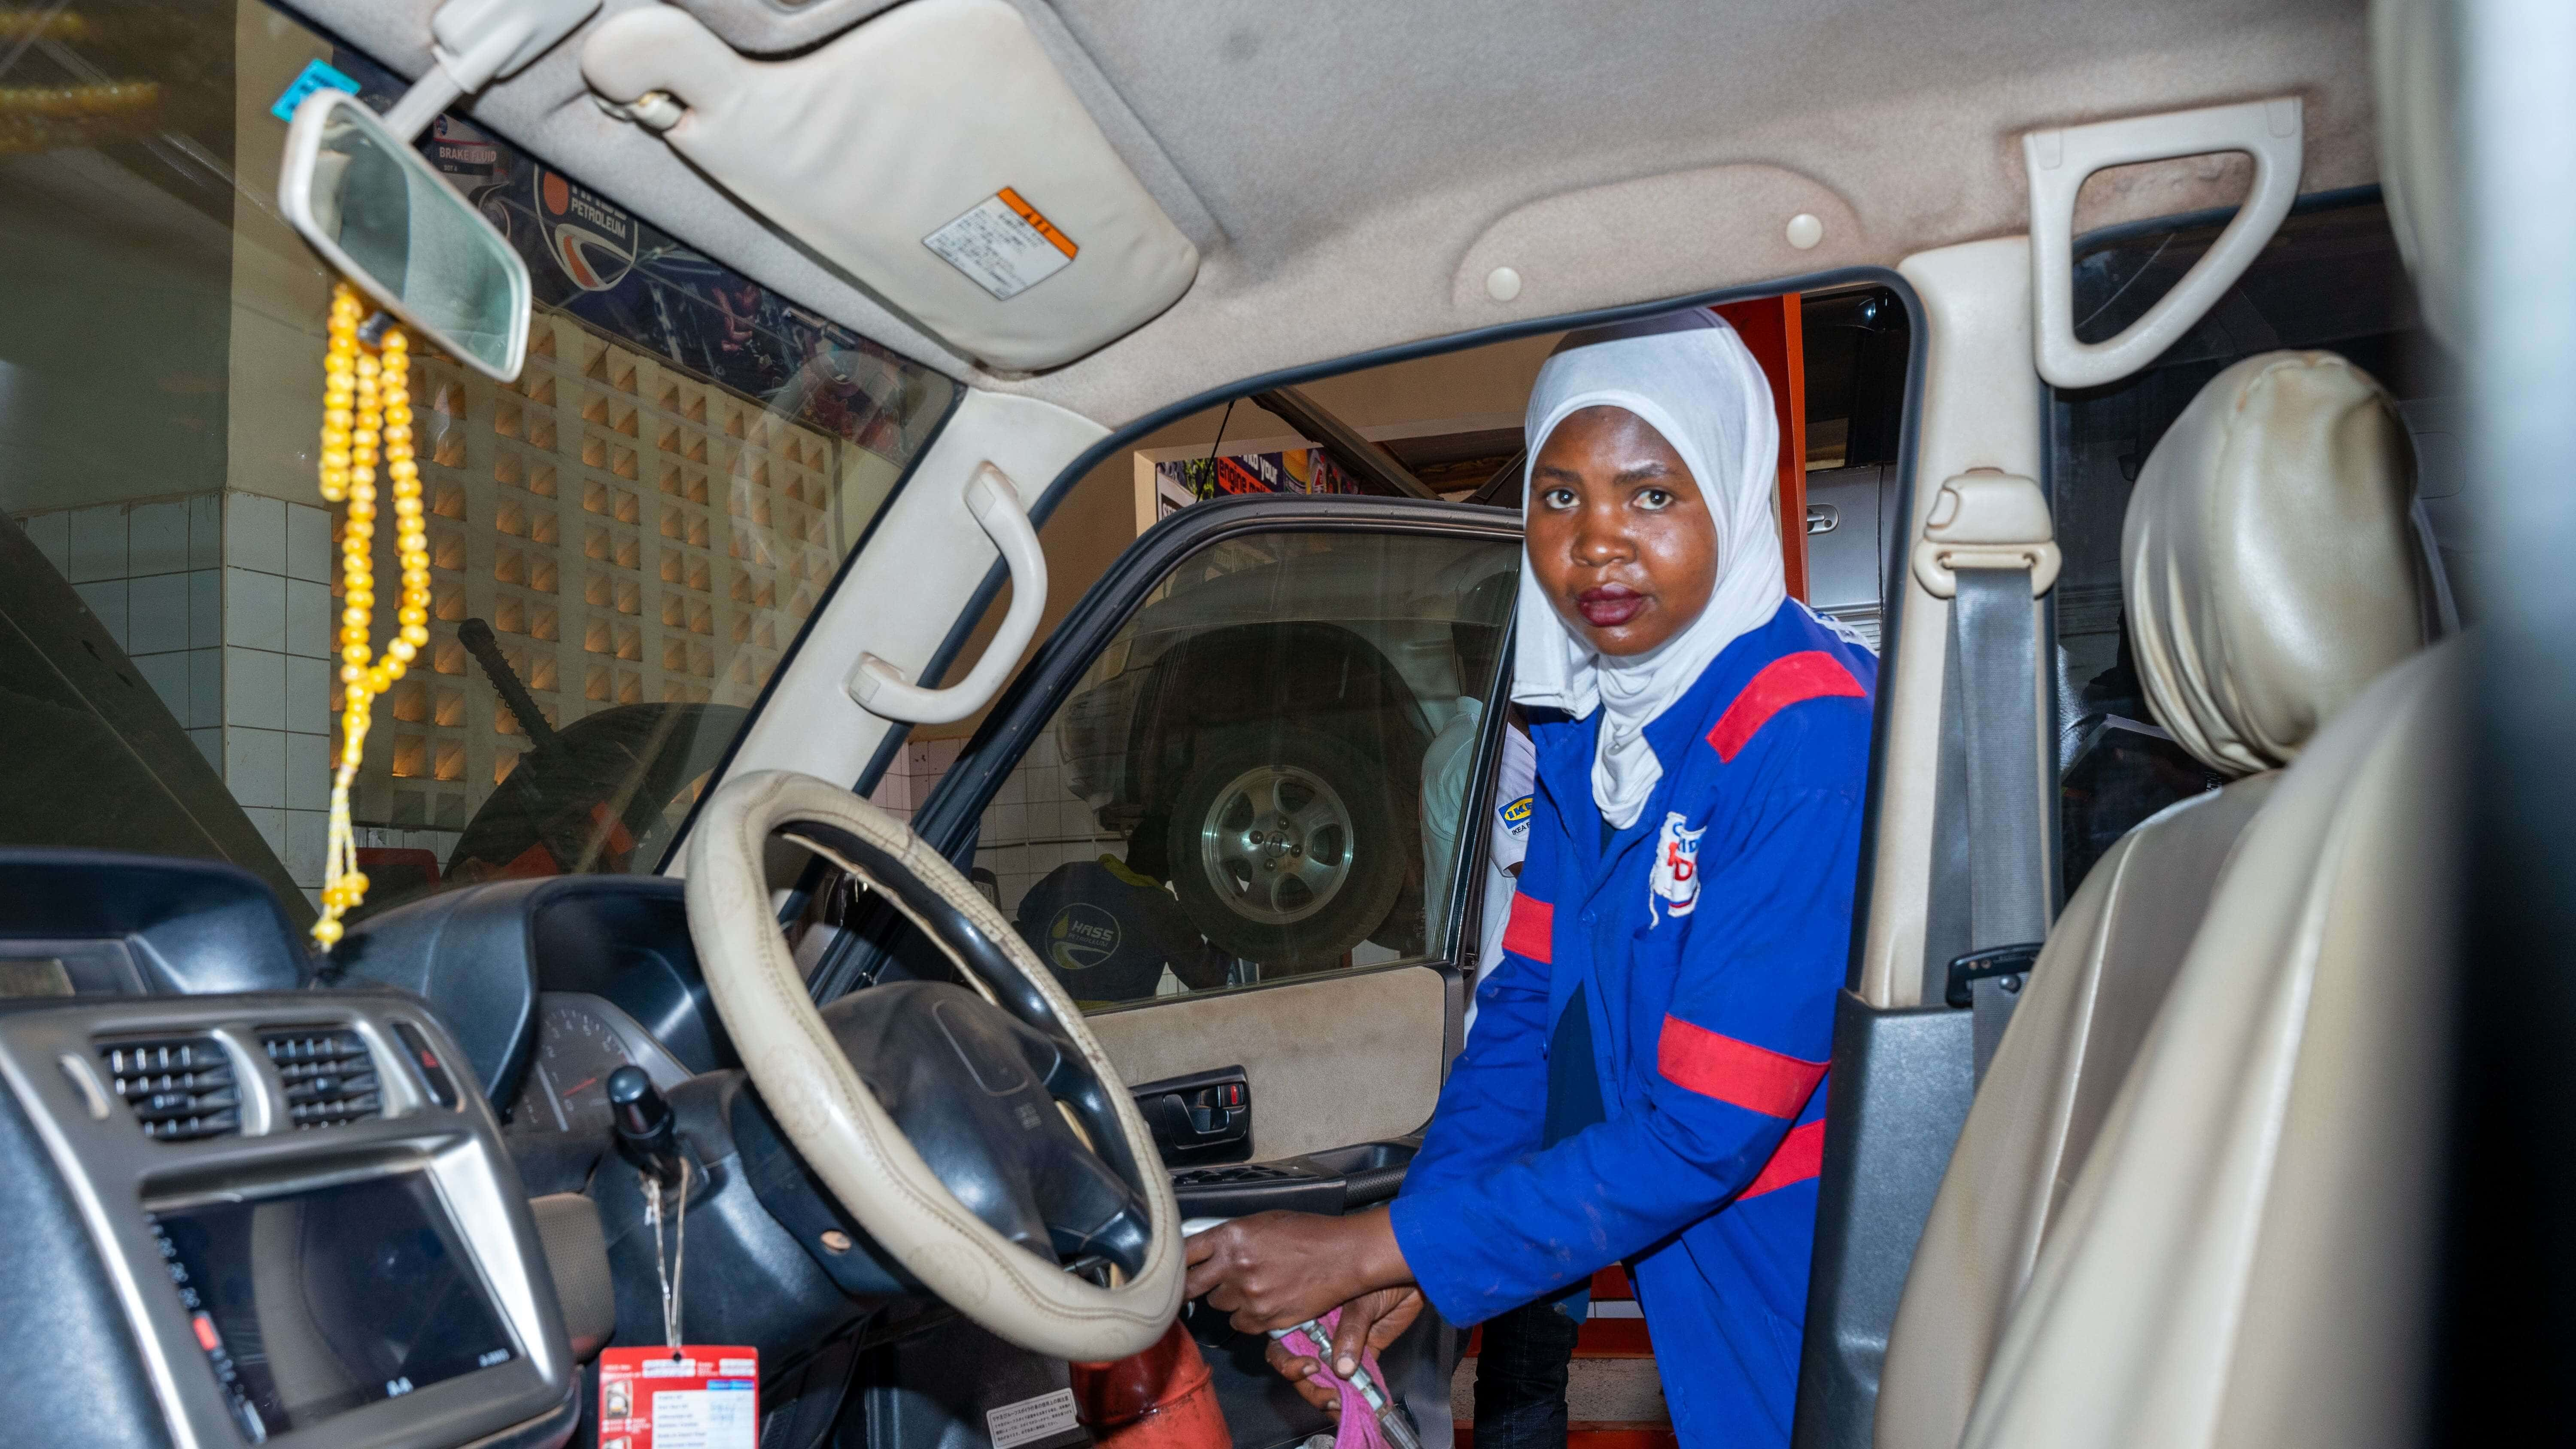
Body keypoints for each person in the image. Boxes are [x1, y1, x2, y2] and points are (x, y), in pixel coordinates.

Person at [1184, 311, 1876, 1448]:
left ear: (1735, 492)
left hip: (1816, 1266)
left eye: (1652, 494)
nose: (1598, 544)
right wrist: (1426, 1227)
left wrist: (1376, 1249)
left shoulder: (1806, 739)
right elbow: (1524, 1006)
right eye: (1561, 498)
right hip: (1709, 1257)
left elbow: (1706, 1130)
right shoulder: (1590, 735)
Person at [1013, 851, 1230, 1006]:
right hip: (1106, 1036)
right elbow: (1209, 980)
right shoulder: (1160, 909)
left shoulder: (1069, 873)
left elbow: (1024, 918)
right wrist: (1229, 923)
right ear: (1173, 866)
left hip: (1033, 1014)